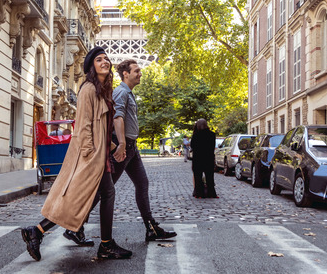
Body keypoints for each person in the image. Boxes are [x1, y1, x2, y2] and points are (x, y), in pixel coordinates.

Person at [21, 47, 132, 261]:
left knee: (88, 197)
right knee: (90, 196)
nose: (105, 62)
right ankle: (105, 245)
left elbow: (101, 128)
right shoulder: (88, 89)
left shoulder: (102, 90)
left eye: (106, 59)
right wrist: (91, 155)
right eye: (99, 59)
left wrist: (112, 148)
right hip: (90, 156)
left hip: (100, 154)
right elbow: (83, 126)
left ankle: (38, 231)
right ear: (91, 66)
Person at [86, 59, 176, 242]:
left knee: (142, 183)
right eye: (136, 70)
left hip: (131, 147)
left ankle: (151, 227)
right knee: (106, 189)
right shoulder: (121, 92)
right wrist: (120, 145)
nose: (140, 73)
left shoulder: (128, 93)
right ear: (125, 74)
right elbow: (118, 117)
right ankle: (76, 225)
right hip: (124, 146)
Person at [191, 118, 217, 198]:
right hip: (208, 159)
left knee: (198, 177)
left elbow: (193, 147)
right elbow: (212, 147)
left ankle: (199, 193)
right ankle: (211, 193)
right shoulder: (212, 135)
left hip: (198, 159)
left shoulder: (195, 135)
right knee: (210, 177)